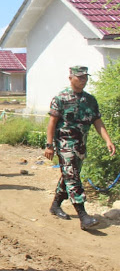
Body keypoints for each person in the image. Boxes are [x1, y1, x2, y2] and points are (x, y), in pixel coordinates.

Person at [45, 65, 116, 230]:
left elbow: (97, 121)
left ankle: (55, 205)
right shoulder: (60, 98)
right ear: (71, 78)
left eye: (85, 77)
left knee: (69, 175)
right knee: (73, 177)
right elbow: (52, 123)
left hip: (81, 145)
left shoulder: (90, 100)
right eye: (80, 77)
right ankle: (83, 216)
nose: (83, 80)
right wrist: (49, 146)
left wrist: (108, 140)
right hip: (64, 144)